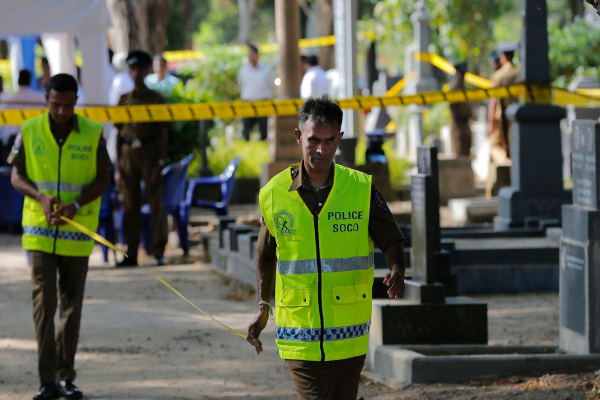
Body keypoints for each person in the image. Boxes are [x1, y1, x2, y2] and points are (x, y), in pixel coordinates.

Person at [246, 95, 407, 400]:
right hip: (299, 332)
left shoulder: (360, 189)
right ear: (298, 137)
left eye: (329, 140)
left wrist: (397, 269)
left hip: (349, 330)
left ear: (340, 139)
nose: (321, 149)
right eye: (313, 140)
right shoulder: (274, 194)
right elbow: (265, 253)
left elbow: (392, 239)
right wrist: (263, 306)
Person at [8, 73, 111, 400]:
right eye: (56, 105)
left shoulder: (93, 133)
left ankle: (66, 376)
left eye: (68, 105)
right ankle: (46, 380)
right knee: (44, 306)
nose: (63, 112)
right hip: (40, 232)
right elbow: (16, 175)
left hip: (76, 234)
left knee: (71, 307)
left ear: (76, 101)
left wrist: (77, 204)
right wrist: (40, 197)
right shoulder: (29, 129)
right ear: (46, 100)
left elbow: (104, 179)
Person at [114, 50, 168, 267]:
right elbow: (118, 133)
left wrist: (159, 162)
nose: (136, 73)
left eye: (140, 69)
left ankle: (158, 252)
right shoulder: (123, 100)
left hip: (150, 152)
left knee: (156, 204)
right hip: (128, 153)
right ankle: (131, 253)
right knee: (130, 205)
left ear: (146, 71)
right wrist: (118, 166)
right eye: (133, 69)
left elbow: (163, 133)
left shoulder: (156, 99)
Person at [0, 70, 47, 166]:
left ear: (18, 81)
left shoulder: (9, 100)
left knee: (12, 165)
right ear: (30, 81)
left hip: (15, 141)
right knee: (33, 166)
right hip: (35, 139)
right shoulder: (39, 98)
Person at [487, 42, 518, 165]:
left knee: (494, 145)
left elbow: (494, 100)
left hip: (500, 118)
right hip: (514, 115)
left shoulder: (499, 75)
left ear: (503, 57)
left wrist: (490, 122)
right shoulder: (517, 72)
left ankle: (506, 166)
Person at [237, 44, 275, 140]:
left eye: (253, 54)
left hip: (262, 102)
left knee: (263, 129)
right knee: (246, 129)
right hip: (248, 102)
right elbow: (241, 85)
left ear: (257, 55)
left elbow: (272, 86)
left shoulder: (267, 70)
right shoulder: (243, 70)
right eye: (249, 54)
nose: (251, 56)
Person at [449, 63, 474, 157]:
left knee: (467, 153)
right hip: (459, 124)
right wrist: (458, 129)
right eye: (461, 73)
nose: (462, 76)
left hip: (465, 124)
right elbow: (453, 109)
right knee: (460, 153)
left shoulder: (464, 87)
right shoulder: (454, 88)